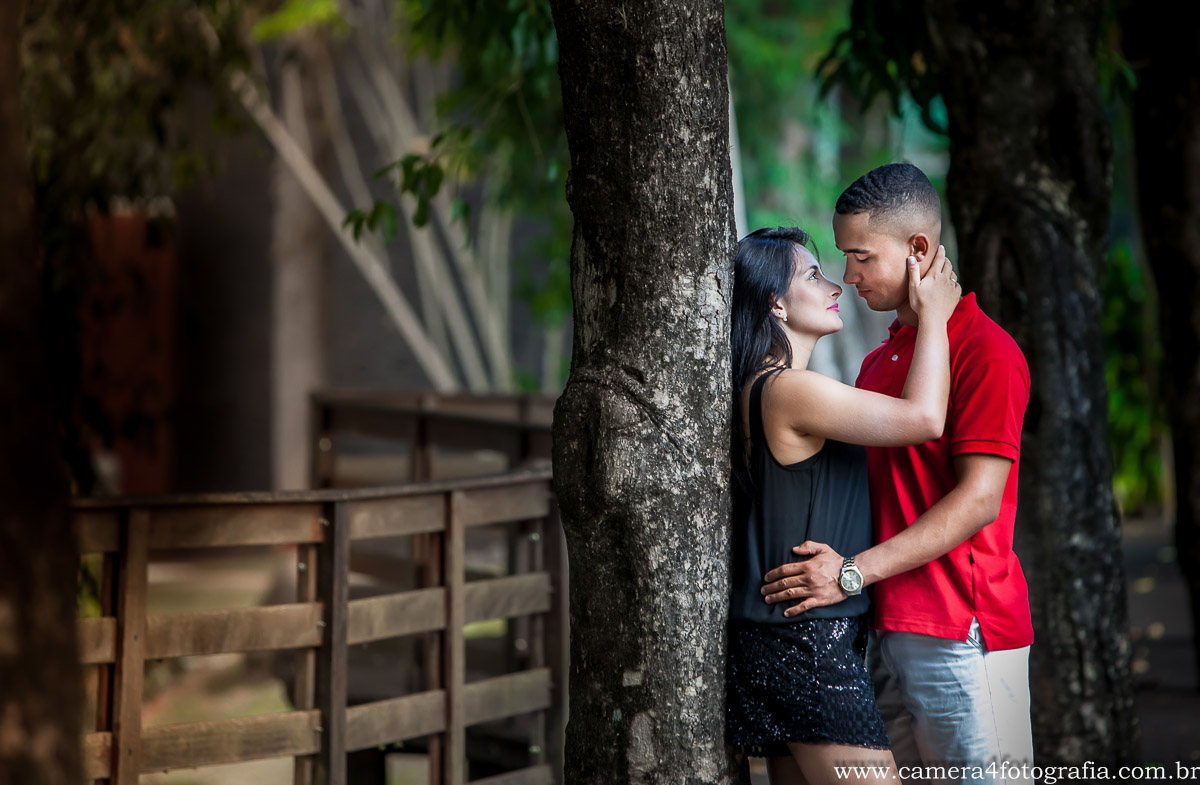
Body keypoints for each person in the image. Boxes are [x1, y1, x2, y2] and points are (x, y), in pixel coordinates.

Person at [760, 163, 1035, 785]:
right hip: (881, 630)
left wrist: (852, 573)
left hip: (960, 634)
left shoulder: (987, 351)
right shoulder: (881, 360)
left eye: (861, 256)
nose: (848, 275)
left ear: (918, 251)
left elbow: (979, 503)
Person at [726, 225, 960, 785]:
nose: (835, 284)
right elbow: (925, 419)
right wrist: (935, 316)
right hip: (807, 647)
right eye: (813, 275)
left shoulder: (766, 388)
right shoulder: (787, 390)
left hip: (783, 639)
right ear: (774, 303)